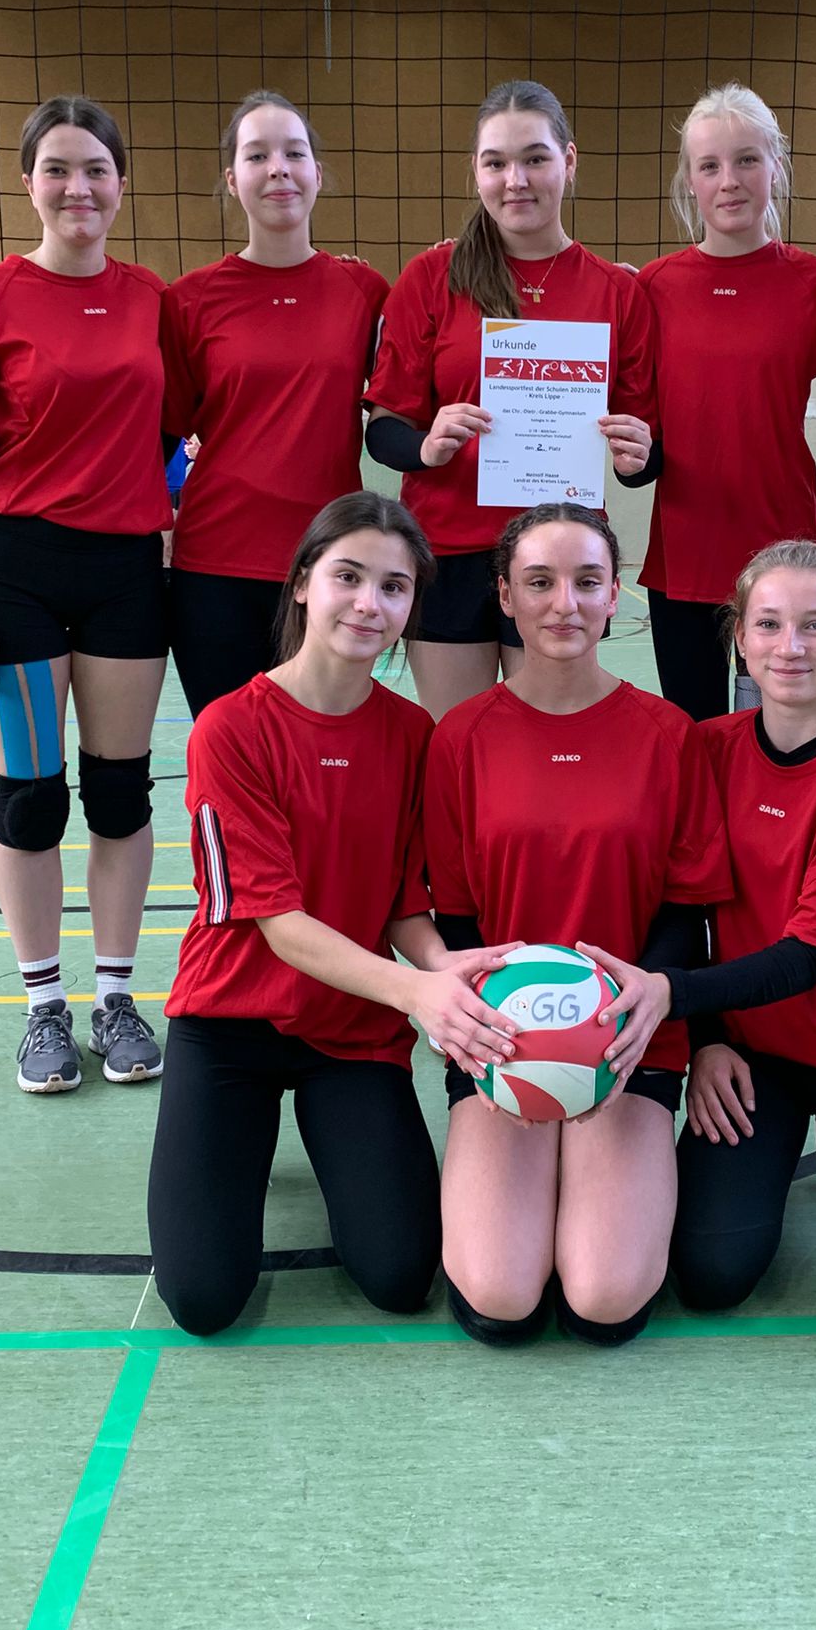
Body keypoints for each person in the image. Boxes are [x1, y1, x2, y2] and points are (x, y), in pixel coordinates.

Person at [147, 492, 519, 1336]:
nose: (368, 603)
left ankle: (333, 1141)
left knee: (401, 1275)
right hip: (231, 1024)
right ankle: (231, 1142)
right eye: (348, 577)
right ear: (303, 583)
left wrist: (444, 967)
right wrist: (416, 992)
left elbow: (403, 900)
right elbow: (278, 922)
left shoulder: (414, 734)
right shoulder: (229, 729)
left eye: (393, 587)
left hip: (351, 1031)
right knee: (203, 1302)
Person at [582, 542, 816, 1342]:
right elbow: (685, 908)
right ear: (740, 640)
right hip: (753, 1058)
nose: (791, 647)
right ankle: (773, 1160)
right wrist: (708, 1039)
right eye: (770, 624)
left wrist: (671, 996)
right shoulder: (708, 750)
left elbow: (809, 957)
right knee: (710, 1275)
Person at [0, 95, 171, 1095]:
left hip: (125, 574)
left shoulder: (151, 299)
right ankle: (43, 1006)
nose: (78, 187)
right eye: (57, 169)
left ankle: (115, 996)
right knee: (29, 798)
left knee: (119, 791)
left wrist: (164, 492)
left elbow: (177, 426)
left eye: (96, 168)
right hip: (14, 570)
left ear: (121, 182)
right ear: (29, 183)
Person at [424, 503, 730, 1348]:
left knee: (603, 1297)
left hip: (630, 1040)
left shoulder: (669, 735)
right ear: (504, 596)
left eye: (587, 581)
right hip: (503, 1039)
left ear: (614, 595)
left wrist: (632, 1018)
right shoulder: (460, 738)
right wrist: (495, 1033)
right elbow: (456, 919)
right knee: (500, 1296)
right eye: (539, 582)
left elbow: (689, 910)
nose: (564, 603)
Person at [365, 79, 659, 722]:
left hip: (562, 556)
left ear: (569, 161)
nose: (515, 180)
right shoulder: (431, 279)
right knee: (458, 747)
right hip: (448, 551)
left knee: (547, 749)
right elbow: (384, 430)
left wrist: (638, 455)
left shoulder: (617, 292)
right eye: (496, 162)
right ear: (476, 171)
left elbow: (643, 455)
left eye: (535, 158)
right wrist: (426, 445)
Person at [164, 91, 390, 717]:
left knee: (322, 749)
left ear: (317, 171)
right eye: (257, 155)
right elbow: (156, 432)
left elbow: (433, 373)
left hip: (330, 565)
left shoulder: (364, 290)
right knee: (230, 748)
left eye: (294, 153)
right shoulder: (189, 300)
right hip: (216, 567)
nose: (278, 169)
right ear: (232, 179)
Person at [639, 83, 816, 722]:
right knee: (695, 736)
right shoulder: (654, 288)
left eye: (747, 160)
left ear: (775, 167)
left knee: (781, 731)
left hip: (783, 553)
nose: (729, 181)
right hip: (685, 556)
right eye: (710, 165)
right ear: (690, 182)